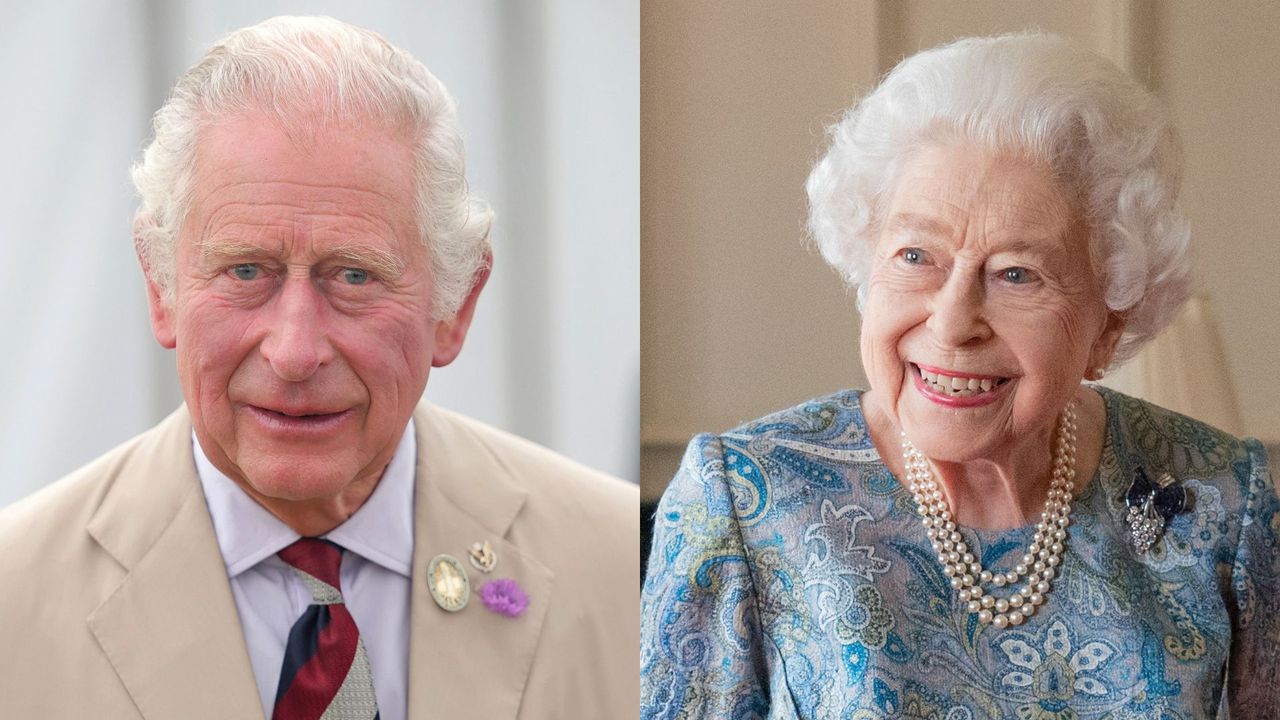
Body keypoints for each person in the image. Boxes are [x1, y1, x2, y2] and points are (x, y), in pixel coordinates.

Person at [0, 16, 638, 720]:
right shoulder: (15, 598)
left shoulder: (619, 565)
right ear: (161, 288)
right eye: (246, 271)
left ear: (455, 305)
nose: (295, 351)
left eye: (355, 276)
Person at [641, 33, 1279, 718]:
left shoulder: (1218, 499)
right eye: (916, 256)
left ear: (1108, 324)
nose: (952, 323)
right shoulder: (743, 501)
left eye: (1016, 273)